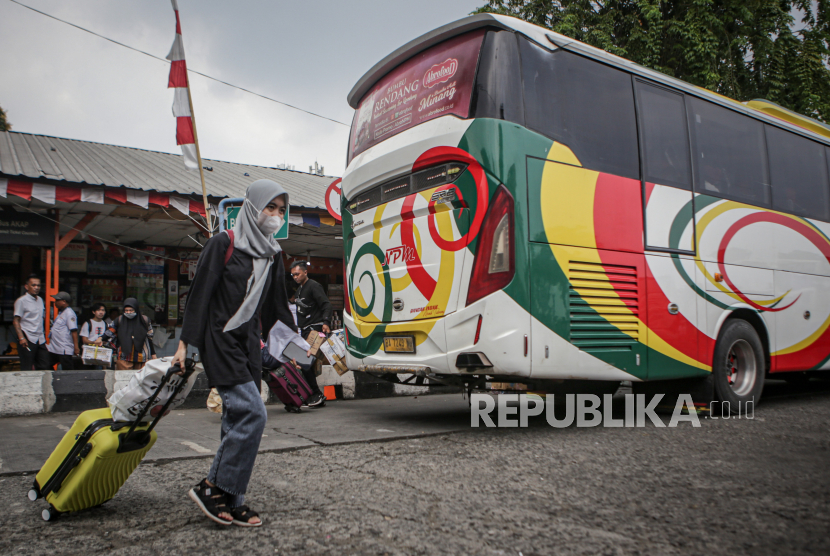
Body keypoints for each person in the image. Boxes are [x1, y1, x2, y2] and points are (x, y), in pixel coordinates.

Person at [172, 179, 295, 527]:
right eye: (270, 207)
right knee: (254, 414)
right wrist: (184, 344)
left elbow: (275, 305)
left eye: (281, 210)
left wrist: (295, 339)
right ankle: (212, 485)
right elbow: (199, 294)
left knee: (235, 421)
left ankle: (232, 498)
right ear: (253, 208)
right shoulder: (223, 243)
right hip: (220, 340)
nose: (276, 216)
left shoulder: (273, 254)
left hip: (248, 346)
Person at [291, 261, 332, 407]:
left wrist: (326, 322)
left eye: (297, 274)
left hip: (315, 329)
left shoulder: (314, 286)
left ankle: (316, 394)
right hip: (303, 330)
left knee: (304, 360)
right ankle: (312, 394)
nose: (295, 277)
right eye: (293, 275)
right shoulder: (299, 291)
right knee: (301, 362)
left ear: (305, 272)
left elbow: (326, 304)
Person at [101, 298, 156, 370]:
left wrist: (153, 354)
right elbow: (110, 332)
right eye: (126, 310)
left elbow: (149, 338)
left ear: (136, 309)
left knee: (140, 379)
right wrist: (100, 339)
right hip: (124, 357)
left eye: (131, 310)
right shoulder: (119, 320)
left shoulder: (144, 320)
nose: (128, 313)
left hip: (142, 357)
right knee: (123, 379)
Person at [13, 274, 50, 370]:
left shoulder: (40, 300)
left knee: (44, 365)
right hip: (27, 337)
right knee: (27, 367)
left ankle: (42, 384)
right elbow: (16, 321)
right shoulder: (21, 301)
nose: (36, 288)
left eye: (38, 285)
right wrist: (21, 338)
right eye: (33, 285)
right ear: (26, 286)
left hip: (40, 338)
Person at [46, 291, 80, 370]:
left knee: (67, 370)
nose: (55, 302)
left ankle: (69, 382)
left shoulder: (69, 313)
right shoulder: (62, 312)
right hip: (55, 348)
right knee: (46, 364)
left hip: (64, 348)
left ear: (64, 301)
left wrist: (76, 347)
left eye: (57, 300)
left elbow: (74, 331)